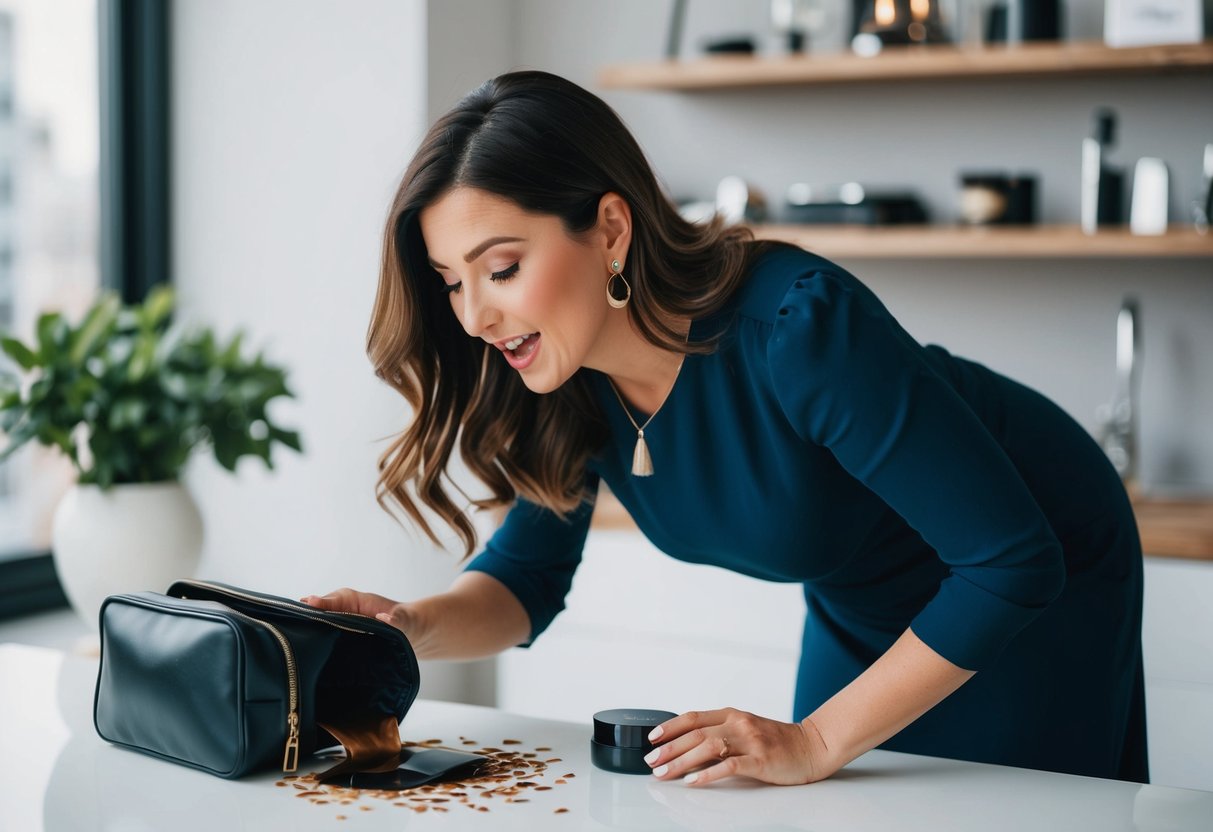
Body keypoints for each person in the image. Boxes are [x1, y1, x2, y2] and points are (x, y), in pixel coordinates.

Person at [304, 70, 1147, 787]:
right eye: (451, 282)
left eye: (501, 268)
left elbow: (1008, 561)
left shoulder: (797, 327)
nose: (475, 314)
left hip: (1036, 557)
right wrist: (408, 626)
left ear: (608, 229)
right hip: (861, 591)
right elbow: (524, 583)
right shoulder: (558, 375)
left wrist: (816, 739)